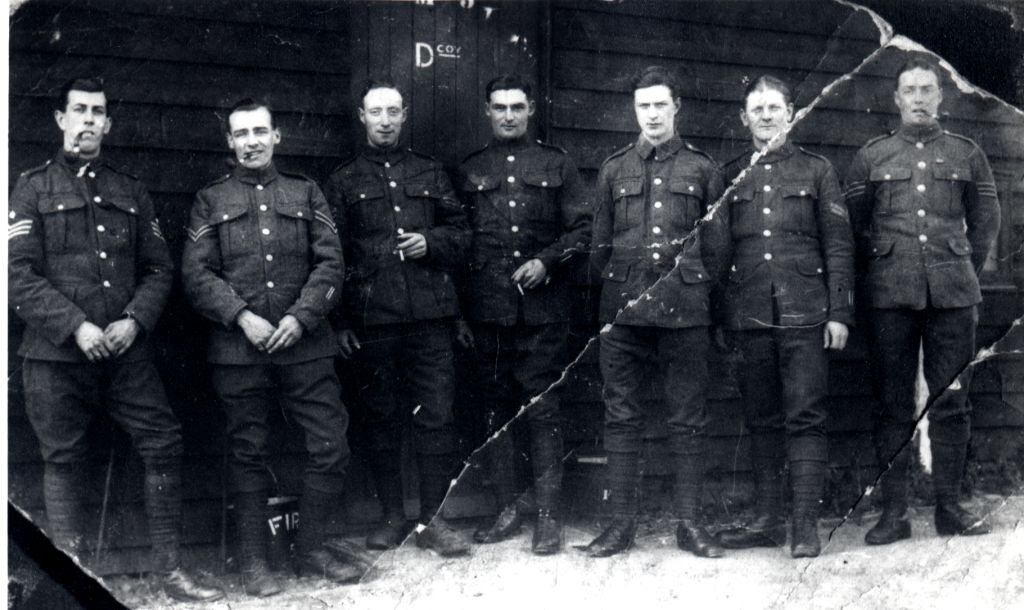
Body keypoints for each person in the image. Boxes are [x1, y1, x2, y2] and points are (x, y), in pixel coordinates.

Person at [8, 77, 224, 602]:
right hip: (56, 355)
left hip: (127, 353)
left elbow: (158, 268)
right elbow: (16, 272)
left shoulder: (131, 191)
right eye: (77, 110)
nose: (87, 120)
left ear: (108, 123)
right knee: (62, 459)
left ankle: (168, 571)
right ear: (60, 120)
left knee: (163, 440)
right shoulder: (32, 188)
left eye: (97, 112)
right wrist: (75, 325)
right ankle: (68, 581)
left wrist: (133, 321)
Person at [182, 98, 358, 596]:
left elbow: (331, 265)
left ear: (277, 137)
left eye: (261, 131)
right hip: (238, 352)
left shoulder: (306, 191)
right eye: (242, 134)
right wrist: (241, 317)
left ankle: (313, 548)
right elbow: (196, 273)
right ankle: (255, 563)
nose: (252, 141)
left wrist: (301, 319)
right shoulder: (210, 200)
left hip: (306, 346)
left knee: (330, 443)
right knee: (246, 451)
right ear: (230, 142)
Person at [845, 57, 1000, 544]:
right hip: (889, 295)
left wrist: (959, 272)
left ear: (940, 96)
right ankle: (894, 514)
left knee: (951, 401)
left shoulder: (966, 153)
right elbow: (853, 226)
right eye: (908, 89)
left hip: (952, 297)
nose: (917, 97)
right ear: (895, 99)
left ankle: (949, 507)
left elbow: (986, 222)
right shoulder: (872, 156)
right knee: (892, 404)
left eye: (926, 89)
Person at [582, 66, 727, 558]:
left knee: (688, 419)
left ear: (676, 107)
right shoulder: (614, 168)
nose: (652, 114)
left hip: (686, 312)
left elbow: (719, 250)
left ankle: (689, 525)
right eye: (643, 105)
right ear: (634, 110)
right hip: (623, 313)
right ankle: (620, 526)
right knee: (621, 416)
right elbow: (599, 246)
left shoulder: (704, 170)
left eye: (660, 105)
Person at [324, 80, 471, 557]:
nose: (385, 120)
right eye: (376, 112)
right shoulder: (343, 180)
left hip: (431, 318)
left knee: (437, 416)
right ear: (362, 117)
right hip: (373, 322)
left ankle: (433, 519)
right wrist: (340, 322)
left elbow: (462, 233)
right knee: (381, 417)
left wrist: (432, 242)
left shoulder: (431, 172)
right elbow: (331, 256)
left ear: (405, 114)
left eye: (393, 111)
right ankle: (392, 515)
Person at [711, 76, 855, 558]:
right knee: (761, 418)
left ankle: (805, 524)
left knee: (806, 418)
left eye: (775, 107)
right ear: (743, 117)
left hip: (806, 314)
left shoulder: (817, 171)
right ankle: (770, 518)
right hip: (750, 316)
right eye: (758, 108)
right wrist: (721, 317)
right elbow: (716, 250)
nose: (767, 115)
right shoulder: (730, 174)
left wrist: (840, 312)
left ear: (792, 112)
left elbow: (838, 243)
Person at [454, 74, 591, 554]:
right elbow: (458, 239)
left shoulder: (557, 164)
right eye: (499, 107)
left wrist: (546, 262)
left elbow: (583, 230)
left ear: (531, 109)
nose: (508, 115)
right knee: (495, 411)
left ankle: (550, 516)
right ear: (486, 111)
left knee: (543, 407)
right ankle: (507, 508)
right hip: (488, 312)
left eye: (517, 106)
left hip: (544, 311)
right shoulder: (469, 169)